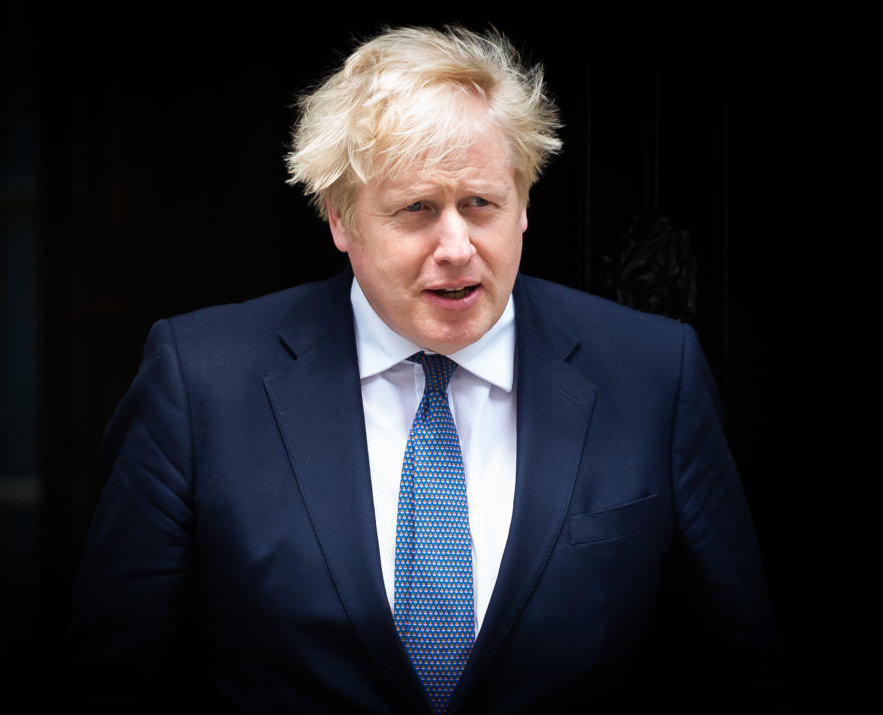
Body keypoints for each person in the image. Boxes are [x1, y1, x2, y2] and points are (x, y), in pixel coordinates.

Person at [63, 26, 794, 714]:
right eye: (416, 209)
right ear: (340, 218)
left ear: (525, 203)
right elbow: (112, 683)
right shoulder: (199, 380)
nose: (456, 246)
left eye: (481, 204)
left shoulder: (653, 373)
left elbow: (742, 671)